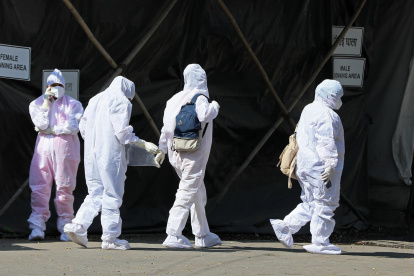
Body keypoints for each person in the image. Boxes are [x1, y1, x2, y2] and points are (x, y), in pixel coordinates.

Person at [64, 76, 160, 250]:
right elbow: (122, 133)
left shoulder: (95, 99)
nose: (130, 100)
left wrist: (97, 141)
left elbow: (83, 129)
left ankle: (78, 225)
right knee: (112, 193)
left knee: (95, 192)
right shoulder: (121, 101)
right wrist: (143, 143)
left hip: (91, 153)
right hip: (110, 155)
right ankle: (110, 238)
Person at [270, 79, 345, 255]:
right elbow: (326, 142)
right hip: (321, 167)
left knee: (311, 202)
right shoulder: (328, 115)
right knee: (326, 202)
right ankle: (320, 242)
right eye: (337, 96)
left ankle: (285, 227)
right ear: (329, 95)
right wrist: (330, 164)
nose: (340, 100)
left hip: (304, 164)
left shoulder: (309, 109)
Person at [156, 64, 221, 248]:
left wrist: (162, 150)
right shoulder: (200, 98)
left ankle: (202, 235)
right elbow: (205, 114)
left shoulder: (173, 100)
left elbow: (166, 129)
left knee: (197, 193)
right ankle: (173, 233)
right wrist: (215, 105)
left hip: (174, 151)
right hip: (193, 154)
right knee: (187, 192)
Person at [28, 69, 84, 241]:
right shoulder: (36, 104)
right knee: (39, 187)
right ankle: (37, 227)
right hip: (43, 149)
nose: (56, 88)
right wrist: (46, 103)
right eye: (53, 85)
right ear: (47, 87)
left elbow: (74, 126)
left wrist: (55, 130)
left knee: (65, 188)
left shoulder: (74, 104)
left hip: (65, 150)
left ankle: (66, 226)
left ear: (64, 86)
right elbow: (41, 123)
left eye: (59, 85)